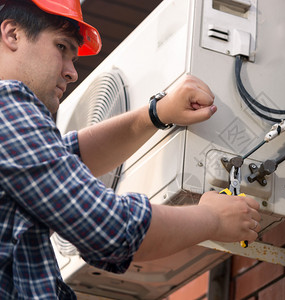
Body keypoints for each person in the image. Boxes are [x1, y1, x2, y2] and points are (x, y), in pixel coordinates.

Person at [0, 0, 261, 298]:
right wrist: (213, 219)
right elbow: (108, 226)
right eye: (61, 47)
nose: (72, 73)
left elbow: (68, 156)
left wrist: (156, 114)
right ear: (12, 34)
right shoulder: (8, 104)